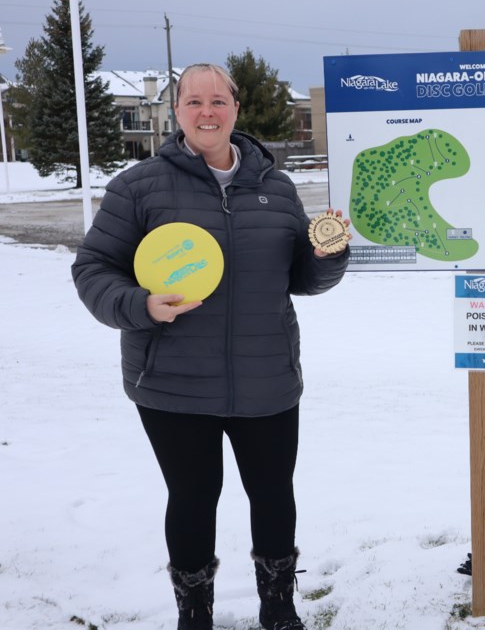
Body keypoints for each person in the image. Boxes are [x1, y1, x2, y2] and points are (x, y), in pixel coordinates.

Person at [72, 63, 351, 630]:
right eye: (194, 101)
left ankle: (278, 606)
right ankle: (194, 612)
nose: (207, 112)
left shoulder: (275, 186)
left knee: (273, 495)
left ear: (235, 109)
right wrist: (141, 306)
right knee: (194, 499)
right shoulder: (138, 187)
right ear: (176, 113)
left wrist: (329, 257)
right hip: (173, 383)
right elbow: (93, 269)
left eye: (218, 101)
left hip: (267, 376)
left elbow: (299, 276)